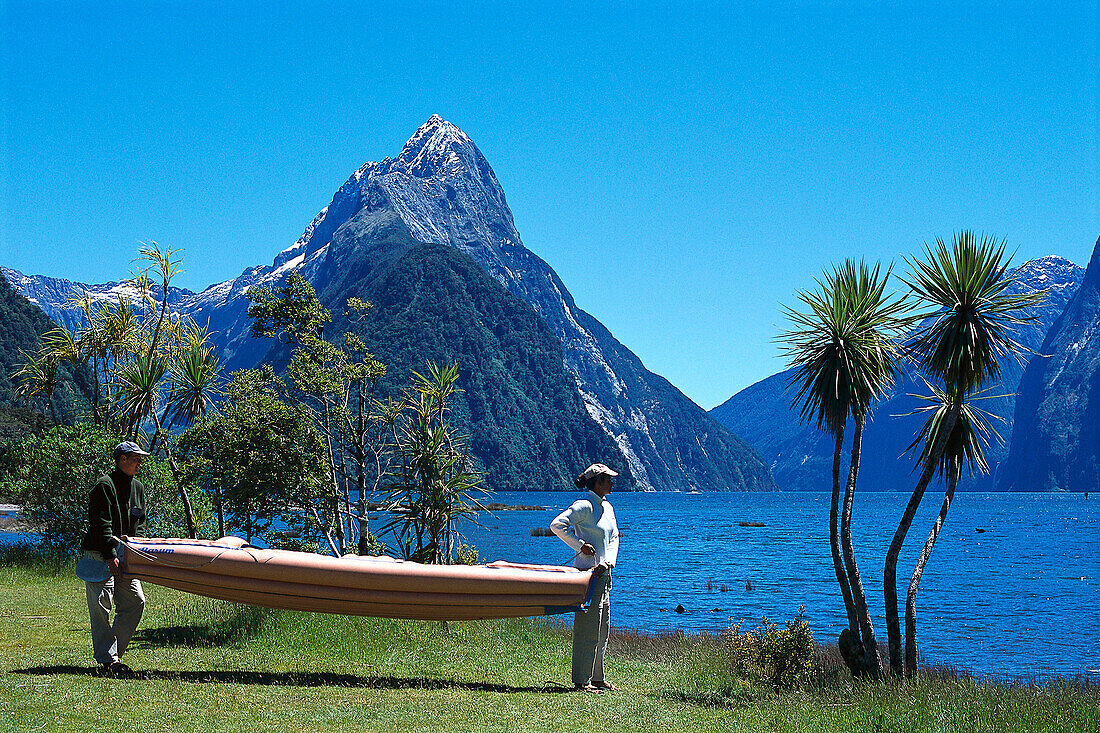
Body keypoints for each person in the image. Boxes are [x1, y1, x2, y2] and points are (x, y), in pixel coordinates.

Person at [79, 441, 150, 676]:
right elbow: (102, 524)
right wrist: (110, 556)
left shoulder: (138, 487)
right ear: (122, 460)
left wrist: (136, 554)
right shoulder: (104, 486)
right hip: (100, 554)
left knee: (135, 602)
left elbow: (139, 525)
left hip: (127, 556)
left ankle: (113, 655)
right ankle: (109, 660)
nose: (140, 462)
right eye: (136, 458)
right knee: (101, 605)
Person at [550, 462, 620, 691]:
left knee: (602, 630)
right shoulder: (585, 505)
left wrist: (609, 562)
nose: (612, 482)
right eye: (608, 479)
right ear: (597, 482)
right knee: (587, 628)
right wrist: (580, 546)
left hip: (604, 574)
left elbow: (614, 537)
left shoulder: (607, 507)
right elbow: (557, 525)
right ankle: (582, 680)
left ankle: (597, 677)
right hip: (587, 576)